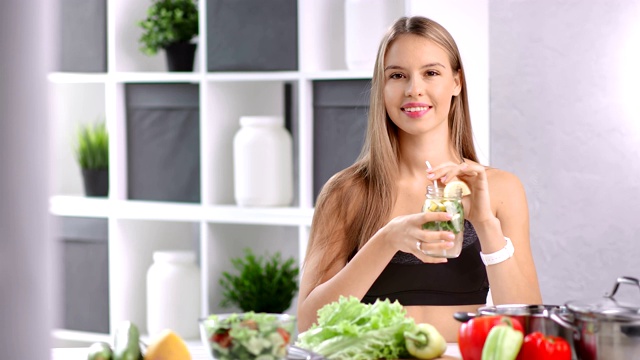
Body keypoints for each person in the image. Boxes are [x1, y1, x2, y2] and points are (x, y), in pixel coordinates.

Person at [296, 15, 542, 341]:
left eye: (431, 73)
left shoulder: (501, 190)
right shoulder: (347, 192)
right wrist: (386, 240)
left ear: (457, 82)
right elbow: (309, 326)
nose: (414, 89)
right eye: (397, 75)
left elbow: (528, 328)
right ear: (382, 87)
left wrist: (485, 224)